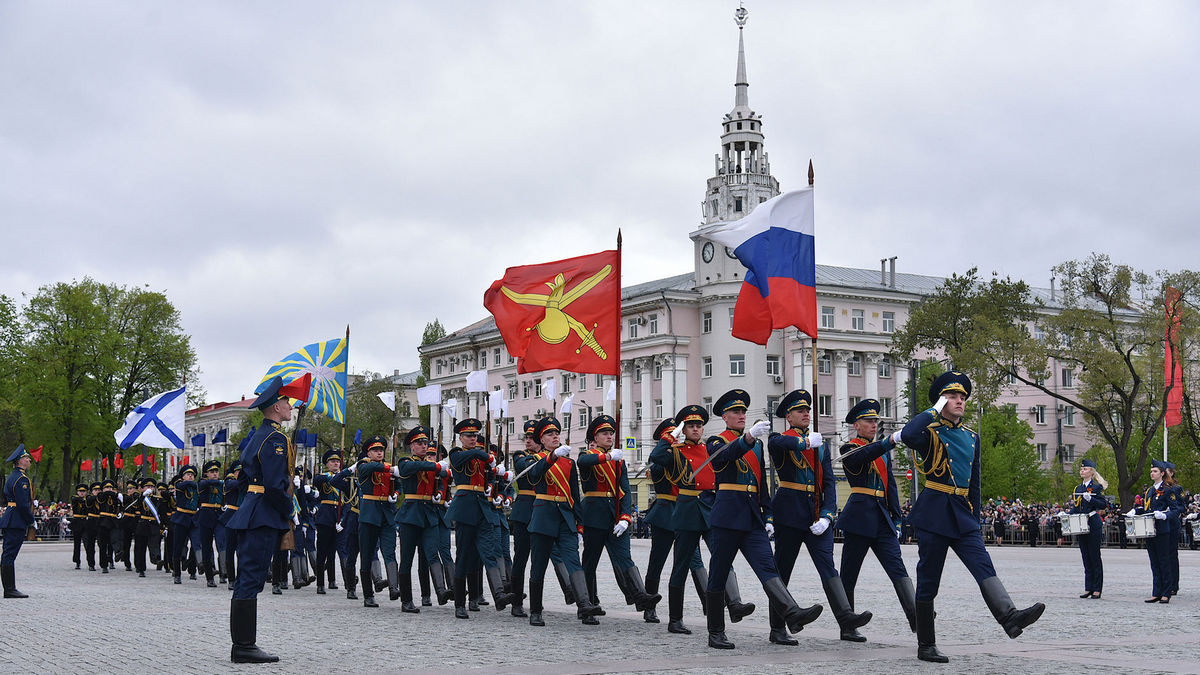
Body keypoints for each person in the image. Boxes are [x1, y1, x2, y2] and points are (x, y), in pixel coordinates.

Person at [898, 371, 1045, 663]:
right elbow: (907, 435)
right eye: (952, 396)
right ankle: (926, 644)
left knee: (983, 565)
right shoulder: (930, 431)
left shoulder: (971, 437)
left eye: (962, 397)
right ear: (942, 401)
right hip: (935, 511)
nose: (960, 401)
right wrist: (933, 410)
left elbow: (974, 484)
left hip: (962, 514)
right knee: (929, 579)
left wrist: (975, 517)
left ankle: (1010, 618)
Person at [705, 389, 824, 650]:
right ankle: (716, 631)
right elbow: (724, 458)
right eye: (735, 412)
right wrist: (747, 438)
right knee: (718, 573)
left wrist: (768, 513)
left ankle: (790, 613)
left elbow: (761, 482)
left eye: (743, 411)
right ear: (724, 416)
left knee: (768, 569)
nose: (741, 415)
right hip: (727, 516)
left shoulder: (757, 444)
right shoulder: (715, 441)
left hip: (752, 517)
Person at [768, 389, 869, 644]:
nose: (806, 413)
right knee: (783, 570)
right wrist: (804, 443)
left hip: (816, 513)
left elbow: (829, 482)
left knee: (828, 567)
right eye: (800, 411)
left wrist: (827, 514)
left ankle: (846, 620)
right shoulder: (783, 439)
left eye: (808, 410)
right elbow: (775, 444)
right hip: (789, 513)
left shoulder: (819, 444)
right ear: (788, 417)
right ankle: (778, 628)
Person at [649, 404, 753, 637]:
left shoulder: (709, 449)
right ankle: (675, 619)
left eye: (698, 425)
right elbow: (655, 457)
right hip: (687, 509)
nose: (696, 429)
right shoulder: (674, 451)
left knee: (722, 557)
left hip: (711, 507)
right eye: (690, 426)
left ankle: (734, 603)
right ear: (683, 429)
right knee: (682, 565)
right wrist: (669, 436)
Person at [225, 375, 298, 664]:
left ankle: (243, 644)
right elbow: (274, 484)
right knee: (251, 579)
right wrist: (288, 509)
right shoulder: (276, 438)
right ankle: (243, 646)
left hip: (253, 511)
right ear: (276, 407)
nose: (290, 405)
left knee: (249, 577)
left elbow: (244, 479)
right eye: (286, 401)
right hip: (263, 515)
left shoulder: (259, 435)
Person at [836, 398, 916, 637]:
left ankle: (916, 617)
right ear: (856, 425)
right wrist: (888, 442)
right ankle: (847, 625)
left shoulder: (881, 452)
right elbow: (862, 457)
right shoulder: (848, 448)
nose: (873, 425)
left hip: (881, 517)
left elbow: (890, 485)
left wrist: (897, 517)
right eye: (868, 421)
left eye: (875, 421)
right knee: (849, 574)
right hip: (860, 517)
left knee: (898, 569)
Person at [577, 414, 660, 618]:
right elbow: (583, 461)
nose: (609, 436)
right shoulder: (591, 456)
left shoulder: (619, 461)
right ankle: (588, 605)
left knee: (625, 558)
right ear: (594, 438)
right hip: (594, 514)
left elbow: (624, 490)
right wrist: (606, 457)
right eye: (604, 433)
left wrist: (625, 516)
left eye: (611, 433)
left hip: (614, 516)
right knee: (590, 561)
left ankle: (640, 595)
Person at [524, 417, 599, 626]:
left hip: (565, 518)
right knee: (538, 566)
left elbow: (575, 494)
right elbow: (535, 475)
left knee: (573, 561)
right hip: (543, 516)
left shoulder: (568, 462)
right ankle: (536, 611)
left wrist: (580, 522)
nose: (555, 436)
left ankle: (584, 604)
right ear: (541, 439)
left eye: (557, 432)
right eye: (549, 434)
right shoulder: (534, 458)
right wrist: (551, 457)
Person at [446, 418, 514, 617]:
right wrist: (487, 456)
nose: (473, 438)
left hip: (483, 508)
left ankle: (499, 594)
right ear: (461, 438)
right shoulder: (456, 453)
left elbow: (490, 477)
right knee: (464, 556)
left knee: (489, 551)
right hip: (465, 507)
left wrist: (493, 483)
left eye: (475, 435)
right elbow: (460, 461)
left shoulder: (482, 457)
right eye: (469, 435)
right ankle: (460, 604)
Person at [395, 426, 453, 612]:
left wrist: (444, 471)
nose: (422, 445)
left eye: (424, 443)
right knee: (407, 559)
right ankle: (406, 600)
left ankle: (441, 590)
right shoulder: (406, 461)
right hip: (411, 515)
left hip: (429, 514)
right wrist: (436, 466)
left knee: (432, 553)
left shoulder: (431, 464)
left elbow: (445, 475)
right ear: (411, 446)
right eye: (418, 443)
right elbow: (408, 468)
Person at [356, 434, 400, 607]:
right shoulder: (364, 465)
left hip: (387, 514)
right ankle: (368, 594)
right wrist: (391, 469)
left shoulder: (388, 468)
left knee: (389, 551)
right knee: (367, 554)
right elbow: (369, 470)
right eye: (375, 450)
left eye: (381, 450)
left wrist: (395, 495)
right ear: (369, 452)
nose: (379, 453)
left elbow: (398, 486)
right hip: (370, 515)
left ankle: (394, 587)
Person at [1130, 459, 1182, 603]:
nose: (1152, 473)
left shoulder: (1168, 489)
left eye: (1155, 471)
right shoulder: (1150, 490)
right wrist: (1136, 510)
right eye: (1151, 471)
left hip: (1162, 529)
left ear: (1162, 473)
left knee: (1164, 561)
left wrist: (1165, 515)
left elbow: (1176, 509)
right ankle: (1156, 591)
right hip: (1150, 528)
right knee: (1154, 562)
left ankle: (1166, 592)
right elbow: (1147, 508)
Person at [1068, 459, 1107, 599]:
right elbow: (1076, 507)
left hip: (1092, 522)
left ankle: (1097, 588)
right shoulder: (1078, 489)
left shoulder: (1096, 487)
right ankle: (1088, 587)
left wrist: (1092, 500)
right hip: (1081, 523)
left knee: (1094, 556)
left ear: (1091, 472)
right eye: (1081, 469)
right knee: (1085, 556)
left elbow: (1103, 504)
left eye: (1085, 469)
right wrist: (1067, 514)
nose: (1082, 471)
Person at [1, 445, 35, 598]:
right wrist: (31, 521)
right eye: (27, 458)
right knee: (9, 555)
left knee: (8, 554)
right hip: (16, 520)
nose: (29, 460)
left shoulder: (12, 477)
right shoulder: (21, 479)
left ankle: (9, 588)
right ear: (21, 460)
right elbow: (22, 504)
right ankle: (9, 589)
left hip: (11, 518)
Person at [311, 448, 343, 595]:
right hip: (325, 516)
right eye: (332, 461)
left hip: (339, 515)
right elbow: (317, 480)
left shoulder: (344, 478)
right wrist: (335, 477)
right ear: (327, 464)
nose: (336, 463)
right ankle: (320, 583)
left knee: (333, 551)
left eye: (337, 461)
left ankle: (332, 580)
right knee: (322, 551)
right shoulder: (323, 477)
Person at [197, 460, 224, 588]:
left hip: (219, 515)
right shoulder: (202, 483)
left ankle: (225, 573)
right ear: (206, 474)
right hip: (206, 515)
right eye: (212, 472)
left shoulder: (221, 484)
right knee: (207, 547)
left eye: (216, 471)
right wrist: (221, 482)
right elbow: (208, 483)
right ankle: (209, 576)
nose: (215, 474)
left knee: (222, 543)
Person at [220, 460, 243, 590]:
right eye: (237, 471)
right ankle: (231, 579)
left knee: (242, 551)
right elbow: (235, 484)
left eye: (241, 471)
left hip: (242, 518)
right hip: (230, 517)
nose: (239, 473)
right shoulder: (229, 481)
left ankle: (240, 578)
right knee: (230, 549)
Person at [95, 479, 121, 574]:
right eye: (106, 487)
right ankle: (104, 565)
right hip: (103, 521)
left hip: (113, 521)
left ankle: (115, 555)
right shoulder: (101, 495)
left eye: (110, 487)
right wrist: (112, 493)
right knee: (103, 545)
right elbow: (102, 497)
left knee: (115, 539)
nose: (109, 489)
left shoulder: (114, 497)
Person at [70, 483, 88, 570]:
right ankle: (77, 561)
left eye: (83, 491)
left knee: (87, 542)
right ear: (77, 492)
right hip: (77, 522)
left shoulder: (88, 500)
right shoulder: (75, 498)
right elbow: (76, 499)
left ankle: (90, 560)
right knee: (77, 544)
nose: (82, 493)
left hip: (85, 522)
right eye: (80, 491)